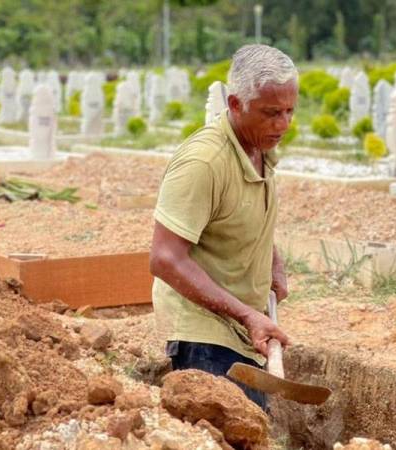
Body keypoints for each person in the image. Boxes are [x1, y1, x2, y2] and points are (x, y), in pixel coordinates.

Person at [149, 44, 297, 411]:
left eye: (290, 111)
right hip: (202, 336)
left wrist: (272, 262)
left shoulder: (259, 146)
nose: (283, 124)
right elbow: (165, 258)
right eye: (271, 113)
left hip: (243, 330)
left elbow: (242, 215)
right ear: (234, 104)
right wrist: (248, 315)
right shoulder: (204, 162)